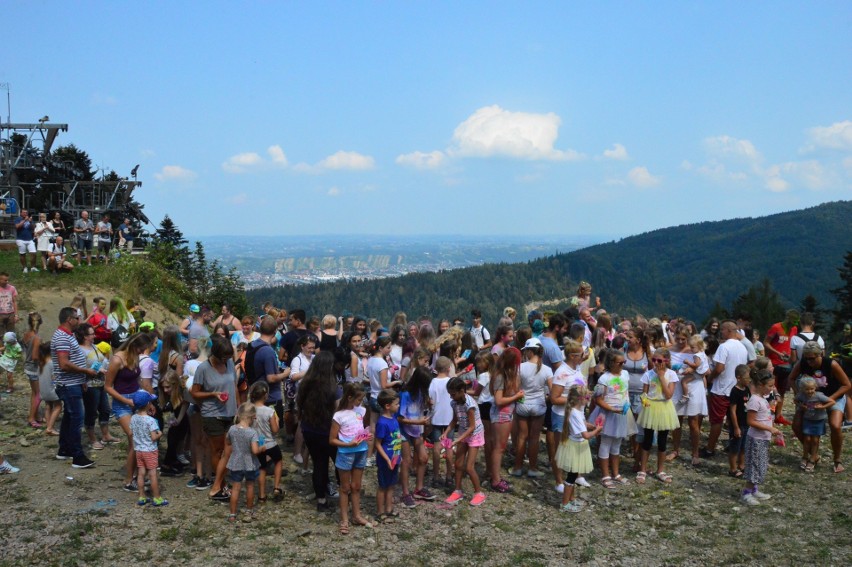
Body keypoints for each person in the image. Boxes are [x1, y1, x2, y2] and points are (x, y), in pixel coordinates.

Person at [788, 341, 851, 474]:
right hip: (810, 398)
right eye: (807, 358)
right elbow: (791, 378)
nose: (809, 361)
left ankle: (837, 459)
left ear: (820, 354)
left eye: (812, 358)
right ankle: (813, 455)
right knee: (796, 425)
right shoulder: (802, 363)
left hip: (833, 396)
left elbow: (846, 385)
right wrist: (797, 393)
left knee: (835, 425)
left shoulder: (831, 364)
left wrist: (829, 400)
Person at [191, 335, 239, 501]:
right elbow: (194, 392)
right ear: (216, 354)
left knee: (229, 451)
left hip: (230, 412)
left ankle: (219, 483)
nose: (226, 360)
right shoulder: (203, 368)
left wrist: (239, 408)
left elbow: (234, 386)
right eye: (224, 357)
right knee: (218, 451)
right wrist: (212, 394)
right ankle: (220, 484)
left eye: (228, 357)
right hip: (213, 414)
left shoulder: (230, 363)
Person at [104, 333, 151, 490]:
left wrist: (147, 399)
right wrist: (126, 401)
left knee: (139, 438)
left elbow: (137, 380)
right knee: (134, 436)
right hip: (122, 402)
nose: (142, 352)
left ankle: (138, 475)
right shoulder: (117, 359)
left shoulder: (135, 358)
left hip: (136, 399)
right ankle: (129, 479)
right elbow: (108, 386)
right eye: (141, 349)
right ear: (134, 346)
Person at [52, 307, 98, 468]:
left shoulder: (68, 335)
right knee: (77, 418)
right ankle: (77, 456)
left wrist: (82, 379)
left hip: (74, 382)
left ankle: (64, 449)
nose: (79, 321)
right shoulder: (62, 338)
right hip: (68, 384)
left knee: (69, 417)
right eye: (77, 318)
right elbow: (64, 364)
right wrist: (85, 371)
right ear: (69, 320)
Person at [296, 351, 340, 511]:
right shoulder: (334, 389)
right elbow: (338, 414)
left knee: (319, 465)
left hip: (310, 430)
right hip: (330, 432)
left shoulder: (304, 385)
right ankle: (344, 496)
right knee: (339, 465)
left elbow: (299, 407)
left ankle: (321, 501)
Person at [330, 383, 373, 534]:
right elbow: (332, 440)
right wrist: (348, 444)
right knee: (345, 487)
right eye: (359, 399)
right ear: (350, 398)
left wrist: (367, 435)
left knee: (356, 486)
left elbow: (364, 428)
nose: (361, 402)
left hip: (361, 451)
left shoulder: (362, 410)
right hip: (345, 453)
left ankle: (356, 515)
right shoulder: (339, 415)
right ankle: (344, 519)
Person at [701, 320, 749, 457]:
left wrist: (710, 378)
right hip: (737, 388)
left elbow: (719, 368)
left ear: (728, 330)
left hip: (722, 388)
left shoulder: (724, 347)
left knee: (716, 421)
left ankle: (710, 448)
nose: (721, 332)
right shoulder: (743, 347)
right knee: (734, 419)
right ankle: (734, 446)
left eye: (722, 330)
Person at [589, 349, 633, 488]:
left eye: (624, 362)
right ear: (611, 363)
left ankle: (616, 473)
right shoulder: (604, 379)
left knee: (617, 444)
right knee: (605, 443)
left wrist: (626, 404)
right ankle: (605, 475)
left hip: (621, 413)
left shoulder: (625, 374)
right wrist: (613, 409)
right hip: (608, 414)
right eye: (620, 363)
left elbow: (625, 391)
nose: (622, 365)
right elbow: (598, 399)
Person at [556, 385, 603, 512]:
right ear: (580, 399)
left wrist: (591, 426)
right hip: (575, 447)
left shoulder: (577, 410)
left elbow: (583, 425)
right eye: (587, 397)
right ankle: (565, 504)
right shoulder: (575, 413)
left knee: (574, 473)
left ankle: (571, 500)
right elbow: (586, 435)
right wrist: (597, 430)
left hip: (578, 445)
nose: (589, 399)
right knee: (571, 476)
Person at [636, 349, 679, 484]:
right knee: (647, 439)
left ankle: (660, 470)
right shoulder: (648, 374)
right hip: (651, 407)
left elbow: (668, 395)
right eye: (654, 360)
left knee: (662, 440)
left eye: (659, 360)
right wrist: (643, 400)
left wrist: (661, 377)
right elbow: (645, 392)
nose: (656, 363)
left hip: (664, 407)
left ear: (666, 360)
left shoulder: (671, 375)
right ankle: (642, 469)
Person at [442, 377, 487, 506]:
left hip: (474, 434)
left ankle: (479, 493)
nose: (451, 397)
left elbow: (472, 427)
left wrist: (457, 440)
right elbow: (454, 420)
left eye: (453, 394)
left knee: (469, 467)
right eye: (450, 394)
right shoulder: (454, 403)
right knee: (458, 464)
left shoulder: (470, 404)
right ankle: (457, 490)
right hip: (463, 432)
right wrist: (446, 433)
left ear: (462, 391)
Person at [511, 338, 552, 478]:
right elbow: (552, 391)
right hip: (539, 405)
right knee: (534, 438)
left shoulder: (520, 367)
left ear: (529, 351)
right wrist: (544, 398)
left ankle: (517, 467)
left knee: (522, 437)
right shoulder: (547, 369)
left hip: (523, 404)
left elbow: (516, 388)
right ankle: (533, 468)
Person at [740, 369, 779, 505]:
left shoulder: (763, 399)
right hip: (756, 439)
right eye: (769, 386)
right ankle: (746, 492)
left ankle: (754, 489)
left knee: (760, 464)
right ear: (760, 385)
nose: (772, 388)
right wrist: (770, 428)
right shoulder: (755, 400)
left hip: (763, 438)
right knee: (755, 465)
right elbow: (751, 421)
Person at [397, 366, 434, 507]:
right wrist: (419, 422)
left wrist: (428, 405)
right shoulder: (405, 394)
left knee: (423, 457)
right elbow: (400, 418)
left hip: (416, 429)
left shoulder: (422, 392)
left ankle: (419, 488)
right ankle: (405, 493)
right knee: (406, 461)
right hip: (404, 430)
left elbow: (421, 408)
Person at [75, 323, 117, 450]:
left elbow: (102, 361)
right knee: (91, 412)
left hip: (101, 383)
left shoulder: (94, 347)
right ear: (84, 336)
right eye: (92, 333)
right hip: (90, 385)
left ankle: (106, 435)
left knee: (105, 410)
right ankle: (92, 439)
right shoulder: (79, 350)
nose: (94, 335)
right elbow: (80, 368)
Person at [488, 347, 524, 493]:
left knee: (500, 447)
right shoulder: (500, 377)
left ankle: (495, 475)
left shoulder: (505, 375)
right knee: (499, 447)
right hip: (501, 415)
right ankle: (495, 480)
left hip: (506, 414)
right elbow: (498, 400)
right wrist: (516, 396)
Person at [224, 402, 264, 522]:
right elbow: (255, 450)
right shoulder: (252, 432)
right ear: (252, 417)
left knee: (236, 488)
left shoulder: (232, 429)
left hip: (236, 461)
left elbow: (228, 442)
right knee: (250, 486)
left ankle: (232, 514)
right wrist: (262, 448)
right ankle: (249, 510)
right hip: (249, 463)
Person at [129, 390, 167, 506]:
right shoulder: (151, 421)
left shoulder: (133, 417)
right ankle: (157, 498)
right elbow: (154, 437)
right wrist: (160, 433)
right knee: (152, 474)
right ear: (148, 404)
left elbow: (131, 433)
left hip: (139, 450)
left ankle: (142, 497)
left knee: (141, 473)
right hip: (150, 450)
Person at [249, 382, 283, 502]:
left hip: (258, 444)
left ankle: (262, 495)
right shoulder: (269, 411)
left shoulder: (249, 410)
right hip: (270, 443)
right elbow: (274, 430)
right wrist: (277, 423)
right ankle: (276, 487)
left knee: (261, 468)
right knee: (278, 461)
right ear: (265, 395)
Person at [764, 309, 799, 425]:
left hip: (786, 363)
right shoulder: (776, 327)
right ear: (787, 318)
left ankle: (778, 416)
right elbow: (766, 343)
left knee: (782, 391)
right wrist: (777, 353)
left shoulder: (794, 329)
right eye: (792, 321)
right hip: (773, 362)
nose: (794, 324)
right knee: (770, 389)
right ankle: (767, 415)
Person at [374, 388, 403, 523]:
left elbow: (396, 439)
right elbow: (378, 444)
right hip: (385, 460)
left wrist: (398, 456)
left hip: (395, 458)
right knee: (383, 486)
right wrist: (386, 459)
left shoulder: (394, 419)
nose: (398, 406)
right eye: (396, 404)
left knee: (391, 485)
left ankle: (389, 509)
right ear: (387, 406)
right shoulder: (382, 423)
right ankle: (380, 512)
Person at [795, 376, 833, 472]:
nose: (810, 391)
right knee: (807, 439)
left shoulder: (819, 395)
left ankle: (813, 458)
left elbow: (832, 401)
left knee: (815, 440)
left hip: (818, 420)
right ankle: (805, 457)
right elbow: (795, 399)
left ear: (815, 387)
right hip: (807, 419)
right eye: (807, 389)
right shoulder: (802, 395)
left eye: (812, 389)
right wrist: (801, 405)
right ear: (802, 389)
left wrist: (822, 406)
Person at [428, 356, 455, 487]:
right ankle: (449, 475)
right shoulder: (451, 381)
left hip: (436, 418)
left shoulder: (433, 382)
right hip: (449, 418)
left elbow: (430, 400)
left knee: (437, 447)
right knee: (449, 447)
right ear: (449, 368)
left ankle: (436, 476)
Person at [727, 365, 751, 477]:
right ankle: (733, 468)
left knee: (744, 446)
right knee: (735, 447)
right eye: (747, 378)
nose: (749, 380)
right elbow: (732, 410)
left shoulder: (747, 389)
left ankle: (742, 465)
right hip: (738, 424)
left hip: (746, 423)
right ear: (739, 377)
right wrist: (735, 427)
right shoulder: (735, 391)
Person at [23, 312, 43, 427]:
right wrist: (43, 363)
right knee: (39, 394)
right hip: (34, 367)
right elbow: (35, 356)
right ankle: (31, 418)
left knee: (34, 393)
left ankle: (35, 415)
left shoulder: (27, 334)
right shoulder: (37, 338)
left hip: (27, 365)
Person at [37, 342, 61, 435]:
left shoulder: (41, 363)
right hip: (51, 390)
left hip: (43, 389)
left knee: (48, 406)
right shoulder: (52, 363)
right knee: (58, 406)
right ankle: (50, 428)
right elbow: (54, 378)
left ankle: (48, 426)